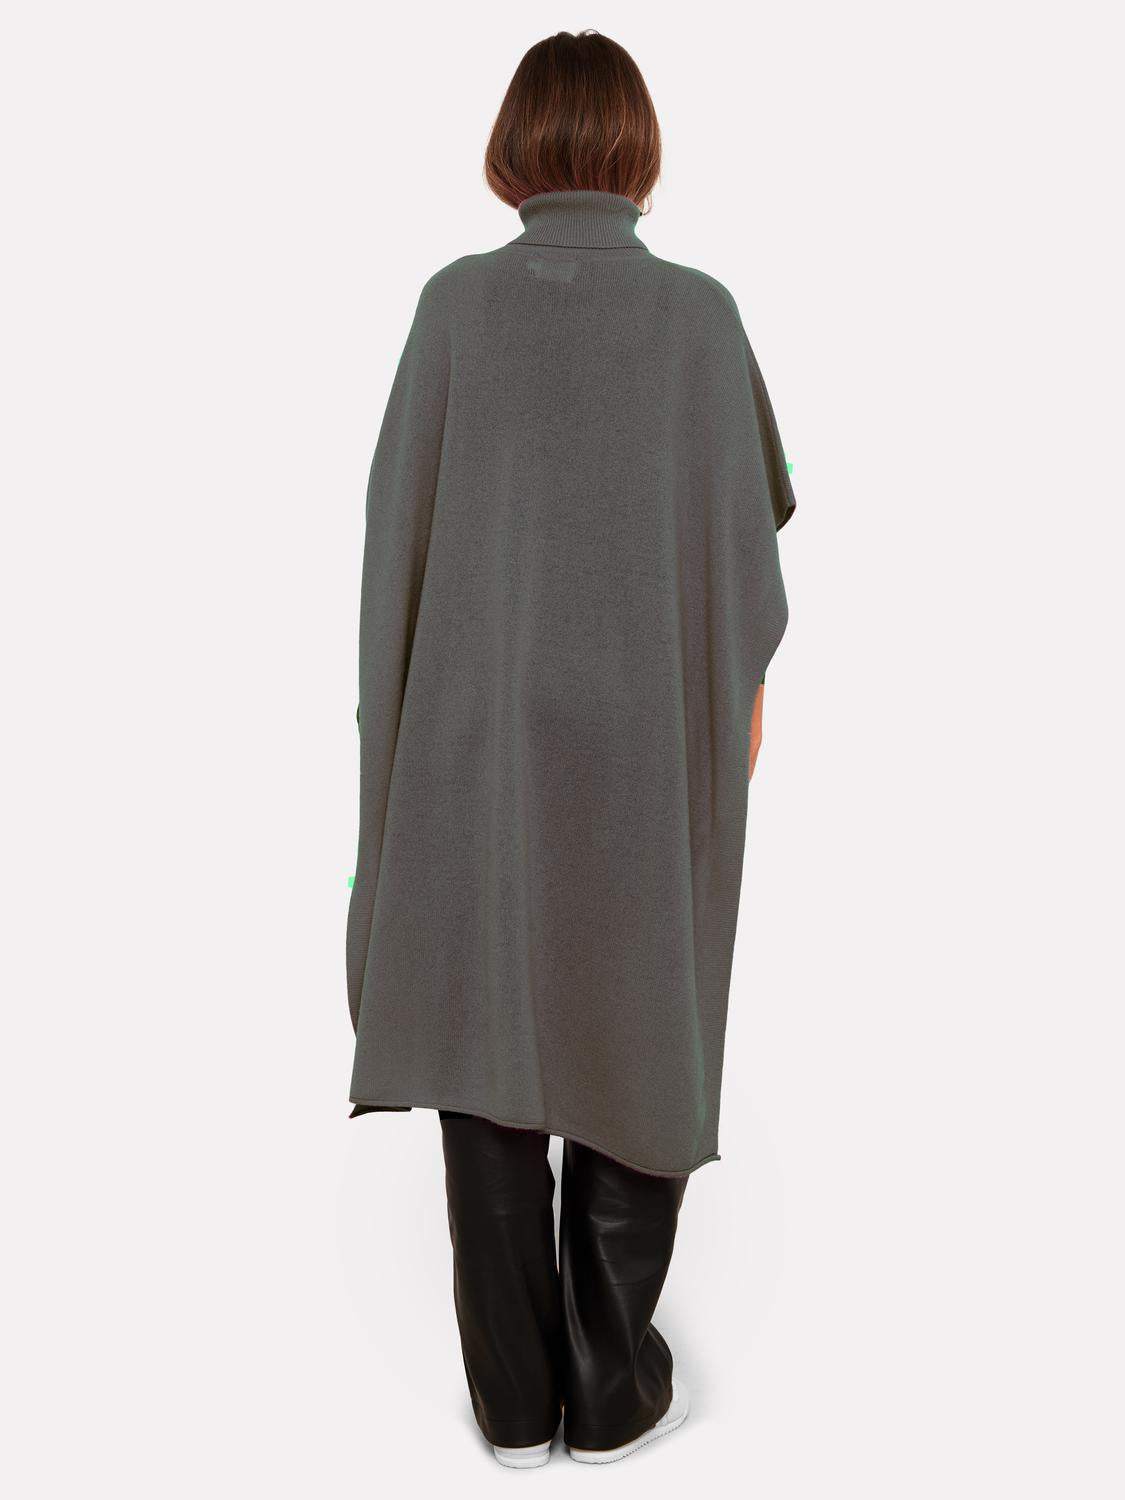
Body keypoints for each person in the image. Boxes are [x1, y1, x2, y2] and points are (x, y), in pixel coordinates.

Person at [345, 29, 796, 1467]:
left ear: (515, 148)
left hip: (474, 735)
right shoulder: (702, 320)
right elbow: (745, 563)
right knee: (641, 1005)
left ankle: (509, 1399)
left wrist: (394, 743)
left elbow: (396, 553)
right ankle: (610, 1385)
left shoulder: (454, 309)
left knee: (480, 1012)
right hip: (649, 725)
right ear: (636, 149)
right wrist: (728, 724)